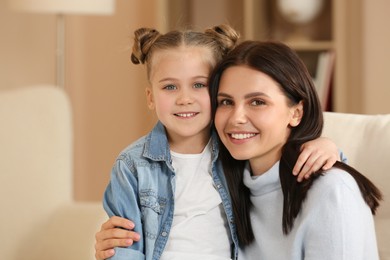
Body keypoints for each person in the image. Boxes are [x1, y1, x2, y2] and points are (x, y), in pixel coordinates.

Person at [97, 24, 342, 260]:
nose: (184, 98)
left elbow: (281, 175)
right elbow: (123, 245)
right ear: (150, 97)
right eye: (170, 87)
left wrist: (327, 146)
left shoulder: (235, 148)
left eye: (198, 85)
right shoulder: (131, 165)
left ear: (217, 90)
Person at [209, 40, 382, 259]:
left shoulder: (332, 190)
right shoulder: (225, 185)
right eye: (226, 102)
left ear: (296, 113)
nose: (236, 118)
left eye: (257, 102)